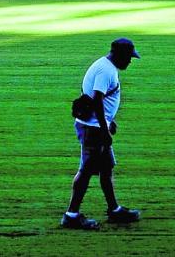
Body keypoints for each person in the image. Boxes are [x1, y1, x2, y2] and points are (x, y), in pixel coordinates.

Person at [61, 38, 142, 230]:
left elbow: (93, 98)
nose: (130, 61)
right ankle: (71, 215)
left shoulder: (104, 65)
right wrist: (105, 130)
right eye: (129, 57)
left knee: (106, 168)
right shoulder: (106, 71)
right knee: (87, 169)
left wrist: (108, 121)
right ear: (120, 55)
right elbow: (97, 99)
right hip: (93, 129)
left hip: (97, 125)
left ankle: (114, 210)